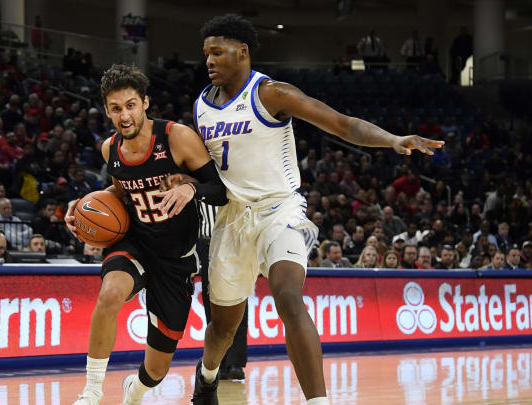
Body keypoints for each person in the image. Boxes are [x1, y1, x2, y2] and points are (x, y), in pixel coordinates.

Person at [192, 14, 443, 404]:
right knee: (223, 328)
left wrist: (392, 139)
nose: (208, 60)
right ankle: (206, 378)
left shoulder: (272, 94)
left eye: (217, 52)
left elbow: (344, 126)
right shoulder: (201, 107)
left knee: (288, 296)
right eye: (206, 53)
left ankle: (318, 401)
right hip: (230, 219)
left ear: (242, 52)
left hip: (281, 211)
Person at [65, 64, 227, 405]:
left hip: (176, 259)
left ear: (145, 103)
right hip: (136, 242)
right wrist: (83, 210)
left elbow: (220, 190)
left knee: (156, 370)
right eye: (116, 108)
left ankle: (134, 391)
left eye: (130, 105)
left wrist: (189, 189)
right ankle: (92, 391)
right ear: (106, 111)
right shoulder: (110, 149)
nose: (124, 115)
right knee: (110, 294)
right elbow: (120, 193)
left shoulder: (176, 137)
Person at [198, 201, 247, 381]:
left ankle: (236, 363)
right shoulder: (195, 178)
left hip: (234, 240)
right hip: (205, 241)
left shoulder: (233, 176)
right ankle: (218, 362)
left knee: (239, 299)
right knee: (210, 301)